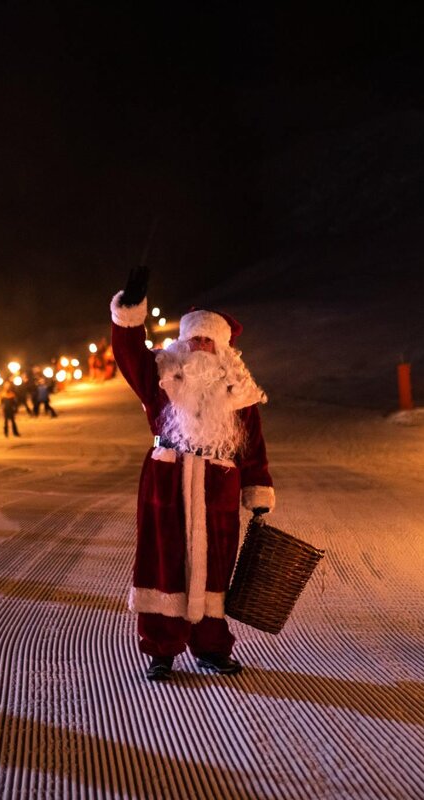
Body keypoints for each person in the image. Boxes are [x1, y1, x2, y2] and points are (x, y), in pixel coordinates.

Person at [110, 266, 274, 682]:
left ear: (221, 349)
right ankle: (161, 649)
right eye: (194, 338)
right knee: (162, 561)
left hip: (219, 485)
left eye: (208, 340)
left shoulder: (239, 394)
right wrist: (130, 314)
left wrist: (257, 490)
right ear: (183, 343)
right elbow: (129, 353)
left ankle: (211, 647)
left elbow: (253, 446)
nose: (200, 346)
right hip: (166, 480)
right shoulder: (161, 379)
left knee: (216, 567)